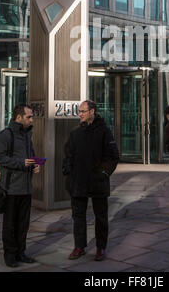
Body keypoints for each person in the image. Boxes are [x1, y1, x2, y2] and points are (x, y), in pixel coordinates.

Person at [62, 100, 119, 261]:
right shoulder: (75, 133)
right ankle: (79, 246)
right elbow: (68, 155)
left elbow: (113, 157)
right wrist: (68, 172)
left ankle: (101, 247)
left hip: (98, 182)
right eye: (79, 111)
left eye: (83, 111)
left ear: (92, 111)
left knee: (100, 217)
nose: (80, 114)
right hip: (78, 182)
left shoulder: (104, 131)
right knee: (78, 216)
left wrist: (103, 173)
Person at [0, 105, 40, 268]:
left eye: (31, 116)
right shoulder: (5, 135)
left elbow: (32, 154)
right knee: (10, 224)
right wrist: (21, 163)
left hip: (26, 188)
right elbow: (0, 157)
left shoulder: (28, 135)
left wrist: (36, 164)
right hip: (11, 188)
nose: (31, 119)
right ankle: (10, 255)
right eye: (29, 117)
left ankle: (21, 252)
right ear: (19, 117)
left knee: (23, 223)